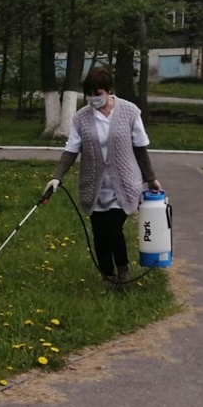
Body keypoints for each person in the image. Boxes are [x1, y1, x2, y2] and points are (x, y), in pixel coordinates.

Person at [45, 67, 162, 289]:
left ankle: (123, 270)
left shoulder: (130, 112)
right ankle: (107, 275)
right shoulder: (81, 118)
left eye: (97, 94)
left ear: (109, 91)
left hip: (125, 183)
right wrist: (56, 178)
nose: (93, 99)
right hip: (95, 185)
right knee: (99, 233)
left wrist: (151, 178)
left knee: (113, 229)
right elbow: (71, 150)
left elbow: (140, 148)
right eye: (89, 94)